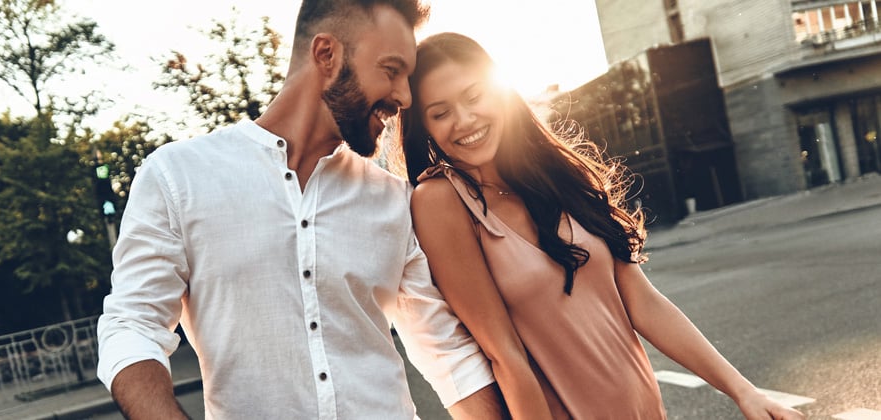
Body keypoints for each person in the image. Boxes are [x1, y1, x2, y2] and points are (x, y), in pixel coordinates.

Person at [96, 4, 504, 419]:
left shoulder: (393, 198)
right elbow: (132, 327)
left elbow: (449, 356)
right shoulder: (177, 177)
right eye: (391, 69)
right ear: (327, 55)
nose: (404, 96)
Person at [400, 32, 807, 420]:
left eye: (474, 96)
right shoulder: (441, 201)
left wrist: (744, 391)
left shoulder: (555, 179)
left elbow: (644, 304)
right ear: (425, 126)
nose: (465, 120)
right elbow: (505, 357)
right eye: (441, 113)